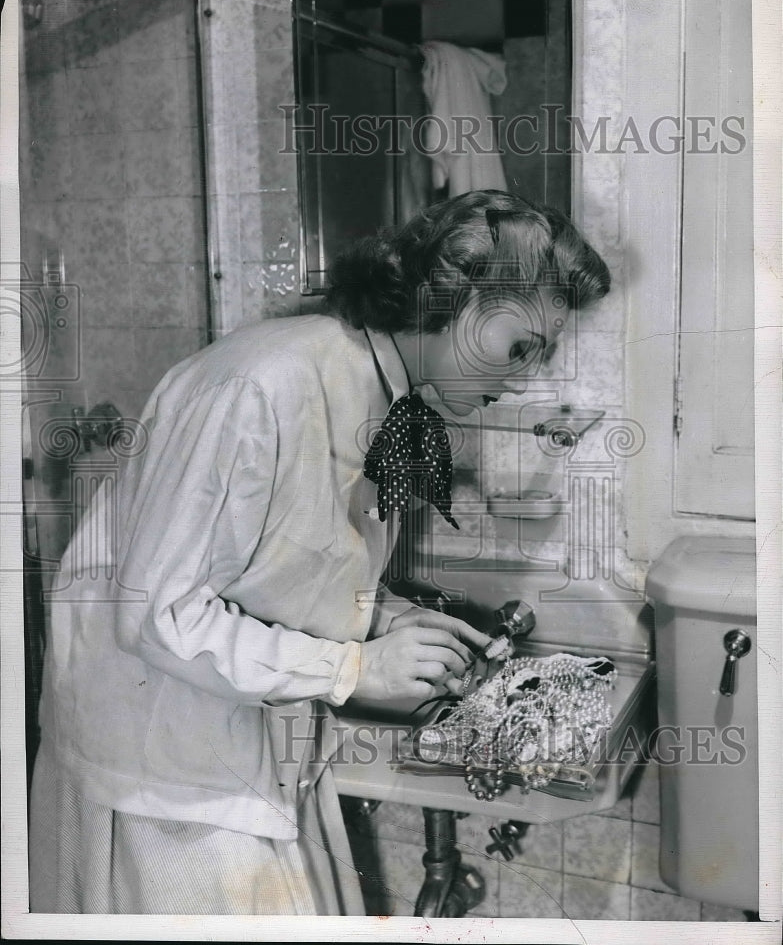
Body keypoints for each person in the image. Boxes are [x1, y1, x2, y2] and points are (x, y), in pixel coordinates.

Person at [28, 189, 611, 915]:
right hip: (163, 775)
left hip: (253, 749)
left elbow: (291, 563)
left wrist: (387, 622)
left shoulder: (381, 390)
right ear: (449, 299)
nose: (522, 376)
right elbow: (157, 617)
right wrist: (352, 668)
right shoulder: (262, 383)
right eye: (518, 347)